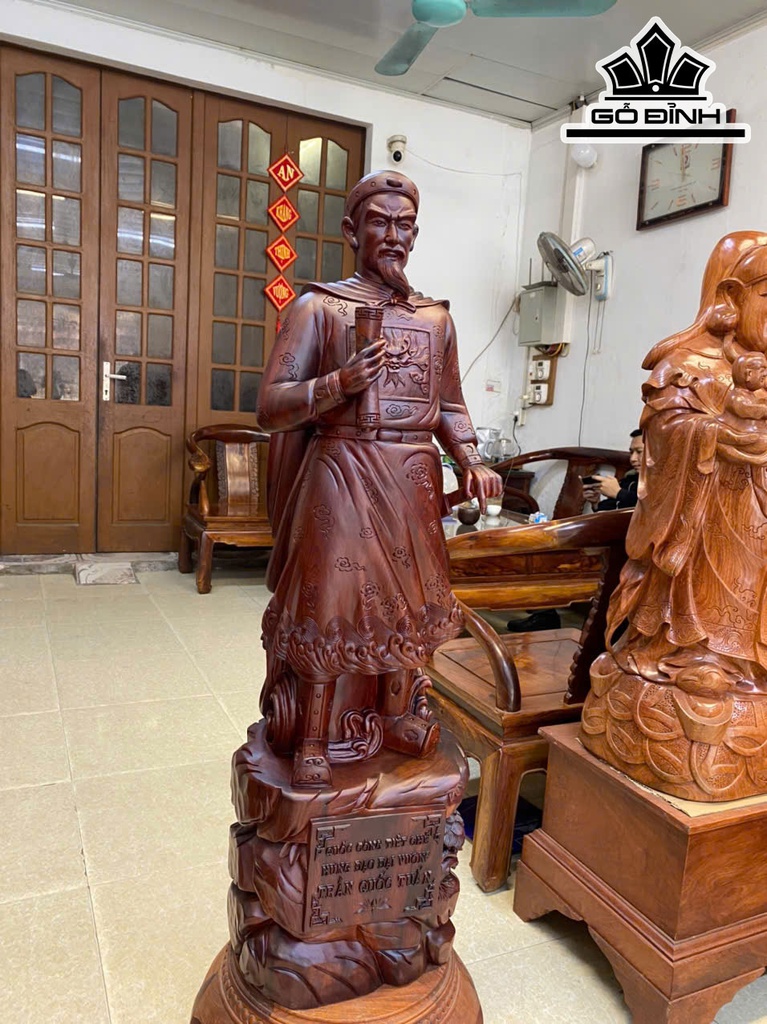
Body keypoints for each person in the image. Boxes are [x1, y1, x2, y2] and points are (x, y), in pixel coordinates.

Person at [256, 170, 502, 787]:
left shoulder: (435, 320)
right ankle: (313, 735)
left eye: (405, 225)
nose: (394, 236)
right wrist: (339, 383)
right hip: (342, 471)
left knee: (407, 606)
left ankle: (393, 717)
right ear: (351, 231)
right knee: (333, 606)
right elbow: (272, 405)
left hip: (412, 478)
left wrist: (470, 458)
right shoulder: (319, 308)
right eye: (380, 222)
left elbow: (450, 403)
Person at [582, 429, 644, 511]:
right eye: (631, 452)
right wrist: (596, 503)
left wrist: (618, 493)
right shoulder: (630, 479)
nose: (632, 459)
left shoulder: (660, 484)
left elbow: (650, 507)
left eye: (639, 452)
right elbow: (613, 507)